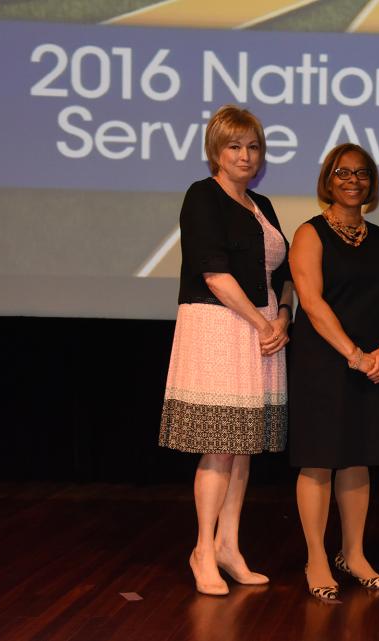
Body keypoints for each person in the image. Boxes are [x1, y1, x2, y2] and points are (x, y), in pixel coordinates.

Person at [159, 105, 293, 596]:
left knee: (243, 446)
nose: (245, 155)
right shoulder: (202, 197)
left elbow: (282, 275)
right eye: (235, 146)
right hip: (220, 328)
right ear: (216, 151)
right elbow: (213, 273)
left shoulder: (263, 204)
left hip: (259, 331)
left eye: (253, 146)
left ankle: (228, 546)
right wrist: (262, 321)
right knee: (219, 446)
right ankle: (201, 549)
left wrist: (281, 318)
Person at [288, 143, 379, 600]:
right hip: (325, 362)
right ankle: (316, 558)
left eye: (361, 174)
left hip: (373, 362)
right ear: (328, 180)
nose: (353, 181)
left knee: (359, 456)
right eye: (343, 173)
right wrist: (354, 354)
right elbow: (311, 304)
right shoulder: (309, 233)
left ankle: (352, 555)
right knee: (319, 458)